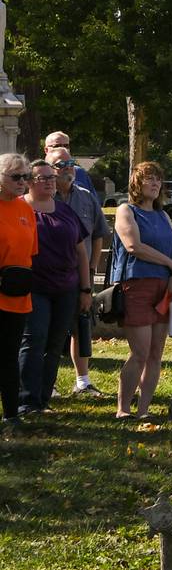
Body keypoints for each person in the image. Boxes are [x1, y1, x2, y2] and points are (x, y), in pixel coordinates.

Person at [110, 161, 172, 419]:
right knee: (140, 351)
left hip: (164, 288)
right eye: (149, 179)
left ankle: (144, 410)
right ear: (137, 184)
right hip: (137, 285)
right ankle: (123, 409)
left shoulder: (163, 215)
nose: (154, 183)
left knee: (155, 353)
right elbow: (133, 246)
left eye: (157, 179)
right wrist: (169, 263)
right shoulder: (126, 211)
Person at [17, 159, 86, 414]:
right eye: (42, 178)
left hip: (66, 287)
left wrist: (86, 289)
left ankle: (43, 399)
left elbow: (81, 251)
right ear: (29, 182)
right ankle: (27, 400)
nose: (49, 182)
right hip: (33, 286)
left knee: (55, 343)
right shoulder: (19, 208)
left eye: (51, 177)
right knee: (34, 340)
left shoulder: (65, 211)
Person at [48, 146, 109, 396]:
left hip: (80, 275)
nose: (69, 167)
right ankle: (47, 383)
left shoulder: (85, 196)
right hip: (49, 276)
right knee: (48, 328)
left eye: (71, 162)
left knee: (80, 326)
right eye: (62, 164)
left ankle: (82, 381)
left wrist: (92, 268)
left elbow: (98, 235)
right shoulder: (43, 197)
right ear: (50, 170)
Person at [0, 153, 39, 425]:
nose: (22, 182)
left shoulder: (25, 209)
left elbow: (29, 253)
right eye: (15, 177)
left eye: (25, 176)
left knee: (9, 356)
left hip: (17, 295)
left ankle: (11, 414)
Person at [43, 130, 97, 195]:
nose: (63, 149)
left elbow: (93, 201)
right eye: (57, 146)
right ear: (46, 150)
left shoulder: (80, 173)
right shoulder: (37, 174)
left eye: (66, 146)